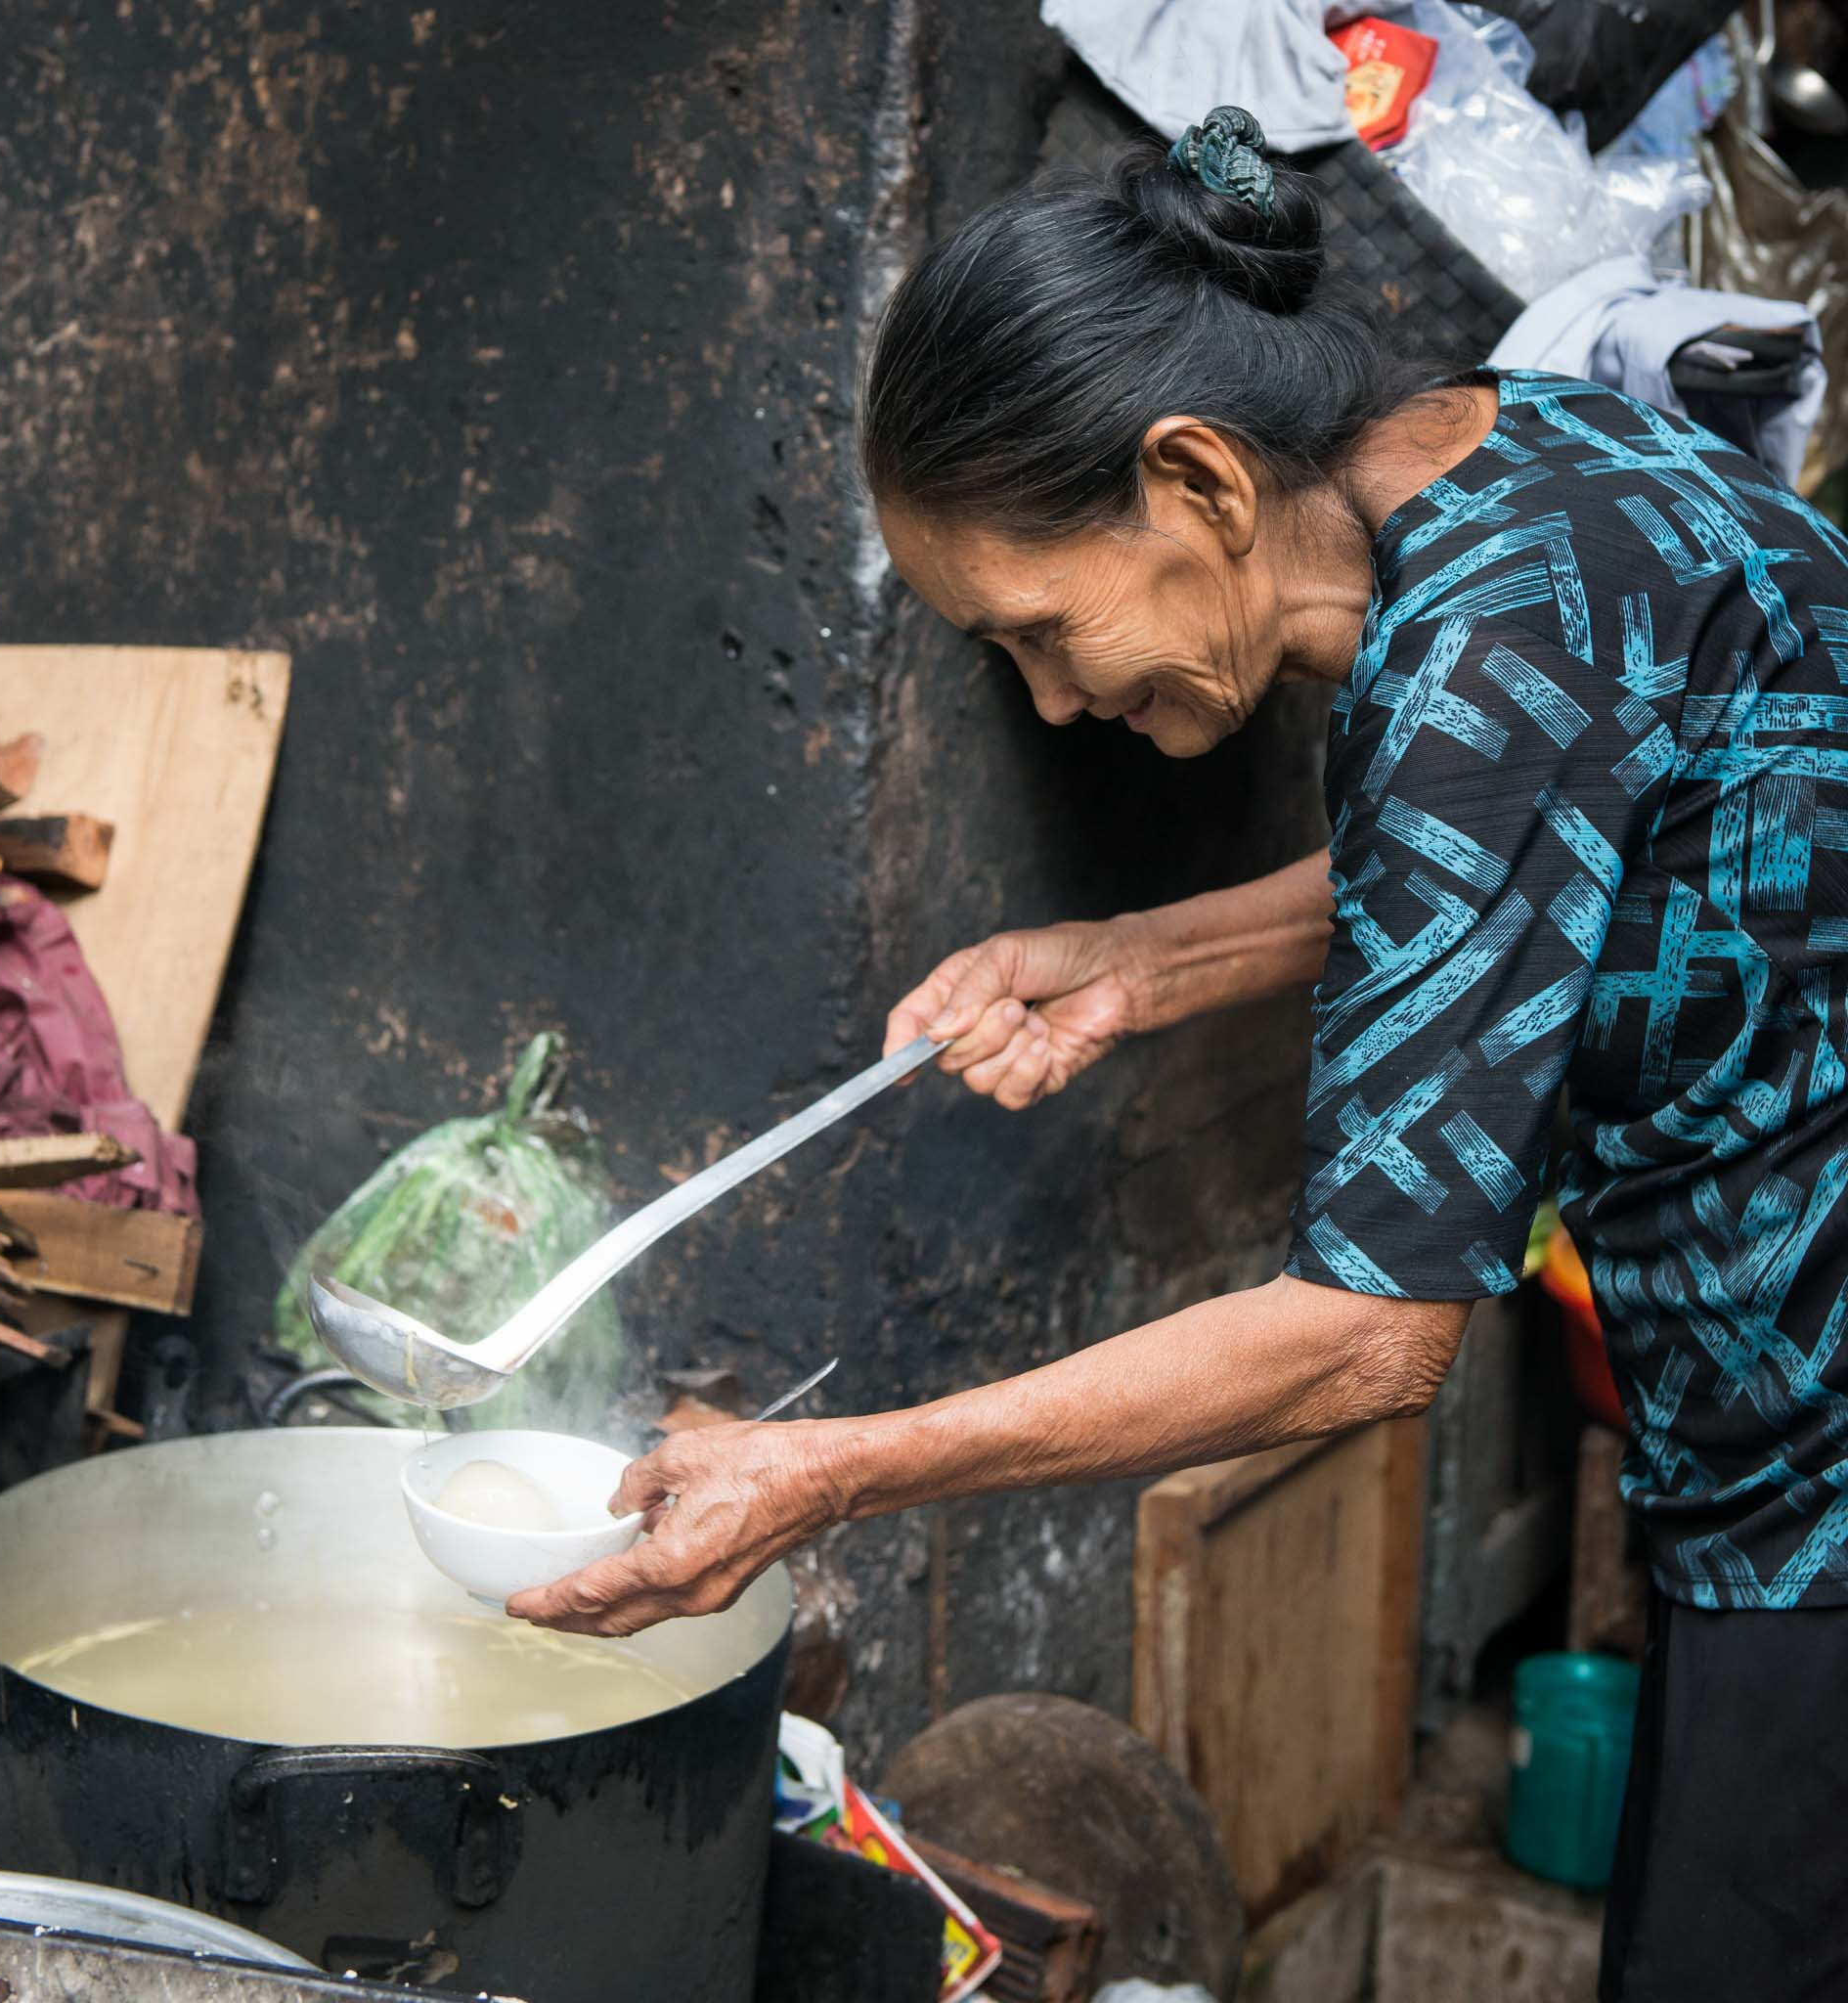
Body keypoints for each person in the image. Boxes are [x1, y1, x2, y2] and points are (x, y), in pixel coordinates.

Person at [507, 107, 1848, 2000]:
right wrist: (1134, 960)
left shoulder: (1470, 662)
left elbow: (1365, 1332)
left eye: (1042, 630)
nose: (1057, 699)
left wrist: (822, 1473)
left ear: (1201, 480)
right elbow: (1543, 852)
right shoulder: (1504, 448)